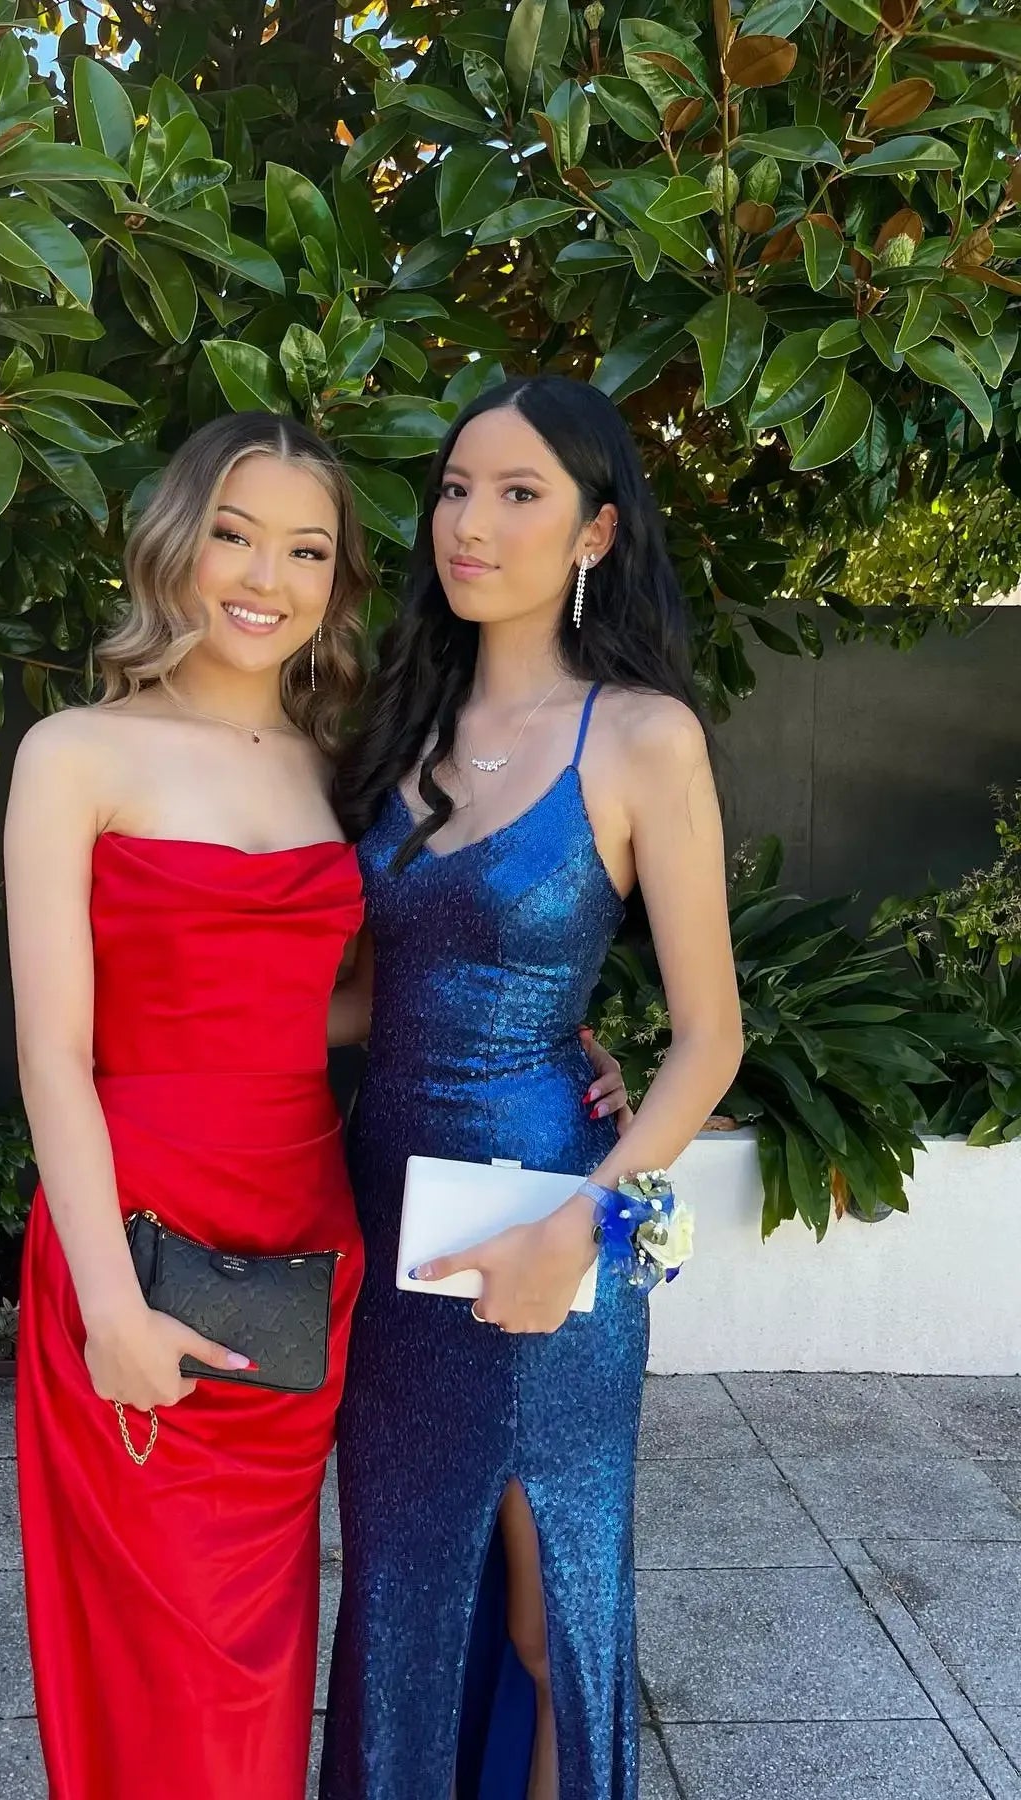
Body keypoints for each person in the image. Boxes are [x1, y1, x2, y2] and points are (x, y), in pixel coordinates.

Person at [321, 375, 744, 1800]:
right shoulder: (393, 726)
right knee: (397, 1588)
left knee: (550, 1601)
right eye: (455, 489)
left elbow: (713, 1039)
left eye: (518, 494)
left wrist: (587, 1226)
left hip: (564, 1214)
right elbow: (368, 994)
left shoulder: (642, 737)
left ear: (595, 532)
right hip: (388, 1218)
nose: (471, 523)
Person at [4, 411, 373, 1800]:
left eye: (307, 549)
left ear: (336, 580)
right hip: (138, 1241)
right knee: (166, 1657)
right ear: (176, 543)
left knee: (262, 1657)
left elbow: (330, 1006)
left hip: (302, 1246)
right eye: (235, 534)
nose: (266, 577)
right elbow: (54, 1054)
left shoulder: (338, 769)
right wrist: (108, 1304)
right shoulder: (76, 754)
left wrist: (547, 1034)